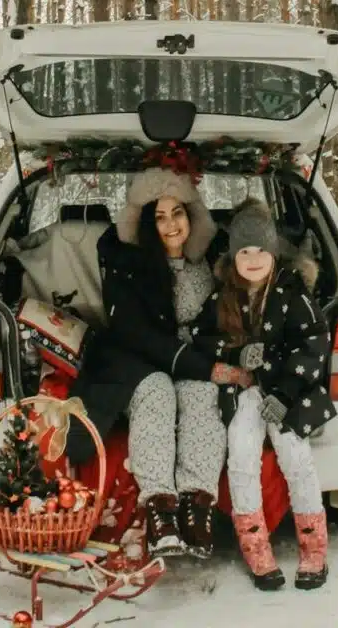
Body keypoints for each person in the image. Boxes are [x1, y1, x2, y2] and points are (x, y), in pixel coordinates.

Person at [64, 167, 251, 559]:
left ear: (192, 216)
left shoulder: (212, 260)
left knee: (202, 395)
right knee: (158, 390)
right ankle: (160, 509)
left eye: (178, 213)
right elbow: (135, 334)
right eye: (159, 216)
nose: (170, 225)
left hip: (192, 361)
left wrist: (224, 360)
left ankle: (196, 505)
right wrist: (205, 366)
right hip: (135, 361)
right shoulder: (127, 262)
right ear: (147, 223)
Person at [191, 199, 335, 590]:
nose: (253, 259)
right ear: (233, 256)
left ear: (273, 252)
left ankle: (314, 549)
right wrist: (235, 353)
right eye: (244, 251)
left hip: (290, 391)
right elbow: (202, 339)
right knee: (240, 452)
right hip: (246, 392)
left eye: (260, 250)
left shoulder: (293, 292)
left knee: (295, 455)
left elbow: (314, 343)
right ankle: (256, 547)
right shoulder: (223, 296)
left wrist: (287, 393)